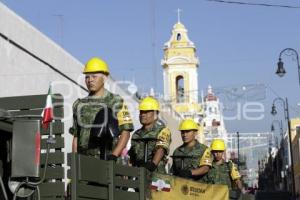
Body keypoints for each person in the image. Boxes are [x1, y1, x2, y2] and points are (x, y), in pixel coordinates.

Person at [69, 57, 134, 161]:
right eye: (87, 77)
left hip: (107, 158)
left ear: (104, 78)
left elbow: (125, 132)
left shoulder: (116, 101)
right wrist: (74, 160)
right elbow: (76, 136)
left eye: (94, 76)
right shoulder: (79, 104)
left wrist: (114, 155)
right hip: (83, 160)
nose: (90, 80)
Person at [128, 96, 171, 173]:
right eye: (141, 112)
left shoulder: (163, 130)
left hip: (156, 176)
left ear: (156, 113)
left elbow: (161, 149)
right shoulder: (136, 134)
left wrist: (152, 164)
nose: (143, 115)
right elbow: (132, 158)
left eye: (146, 112)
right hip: (138, 175)